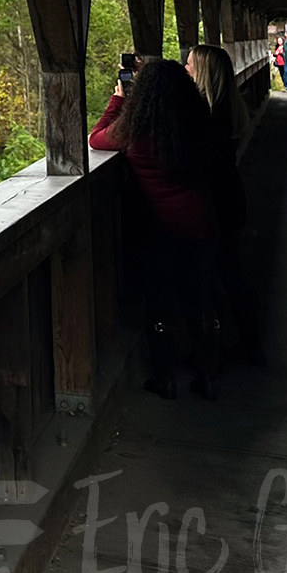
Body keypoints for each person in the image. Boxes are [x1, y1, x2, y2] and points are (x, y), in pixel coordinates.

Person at [91, 59, 223, 399]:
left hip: (160, 228)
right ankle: (208, 374)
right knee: (199, 300)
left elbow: (97, 138)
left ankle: (164, 377)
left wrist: (118, 101)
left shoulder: (137, 129)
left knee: (160, 302)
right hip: (202, 223)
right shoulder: (199, 123)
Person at [188, 44, 265, 365]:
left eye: (190, 64)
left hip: (215, 206)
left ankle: (218, 350)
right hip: (230, 200)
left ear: (204, 71)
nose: (186, 69)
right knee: (230, 272)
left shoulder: (206, 117)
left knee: (214, 276)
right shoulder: (224, 109)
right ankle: (248, 342)